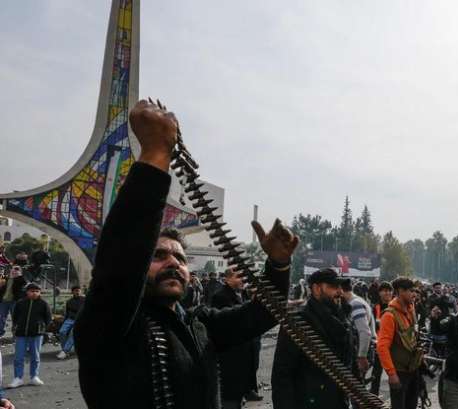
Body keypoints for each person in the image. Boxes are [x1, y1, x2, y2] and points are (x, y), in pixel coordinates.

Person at [74, 99, 299, 409]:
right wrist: (155, 156)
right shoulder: (109, 322)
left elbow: (261, 314)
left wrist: (278, 265)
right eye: (158, 256)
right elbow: (121, 263)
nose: (173, 263)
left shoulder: (198, 324)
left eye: (180, 259)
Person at [271, 268, 354, 409]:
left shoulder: (343, 318)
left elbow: (350, 363)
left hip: (339, 401)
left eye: (340, 287)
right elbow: (282, 374)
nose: (340, 292)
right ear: (316, 289)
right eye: (333, 286)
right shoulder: (298, 321)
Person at [376, 277, 423, 409]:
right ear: (400, 291)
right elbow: (382, 347)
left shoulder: (410, 310)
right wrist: (391, 374)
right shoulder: (389, 315)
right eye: (411, 291)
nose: (414, 294)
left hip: (413, 369)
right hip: (400, 373)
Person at [211, 269, 254, 409]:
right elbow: (226, 323)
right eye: (238, 277)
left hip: (242, 352)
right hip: (229, 354)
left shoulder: (242, 294)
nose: (242, 280)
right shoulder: (220, 296)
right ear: (228, 279)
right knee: (229, 397)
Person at [433, 294, 458, 409]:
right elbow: (440, 327)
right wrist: (435, 319)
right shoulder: (452, 320)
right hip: (453, 381)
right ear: (457, 306)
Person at [8, 282, 51, 388]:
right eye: (32, 291)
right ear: (27, 292)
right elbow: (15, 316)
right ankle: (18, 378)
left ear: (40, 292)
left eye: (37, 291)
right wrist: (17, 326)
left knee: (35, 356)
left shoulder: (44, 304)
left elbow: (48, 318)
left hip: (36, 334)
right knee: (19, 357)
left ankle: (34, 377)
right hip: (21, 334)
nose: (34, 293)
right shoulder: (20, 303)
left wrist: (42, 328)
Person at [341, 278, 376, 379]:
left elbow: (365, 332)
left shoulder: (355, 304)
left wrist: (361, 356)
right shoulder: (359, 301)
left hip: (360, 353)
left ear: (341, 290)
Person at [370, 280, 394, 395]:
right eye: (384, 291)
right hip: (380, 344)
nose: (387, 293)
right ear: (379, 293)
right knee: (376, 372)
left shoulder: (395, 307)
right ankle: (373, 396)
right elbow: (371, 326)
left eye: (389, 291)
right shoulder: (375, 307)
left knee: (394, 373)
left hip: (394, 345)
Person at [57, 285, 85, 359]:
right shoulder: (69, 301)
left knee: (73, 332)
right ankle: (66, 350)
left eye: (79, 290)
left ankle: (65, 351)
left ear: (81, 291)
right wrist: (64, 321)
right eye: (76, 291)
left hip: (80, 320)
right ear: (72, 292)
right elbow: (67, 312)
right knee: (61, 332)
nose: (77, 292)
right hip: (70, 319)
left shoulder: (85, 300)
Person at [0, 265, 27, 338]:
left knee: (15, 318)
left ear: (20, 272)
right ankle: (0, 332)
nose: (14, 271)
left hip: (14, 302)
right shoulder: (6, 278)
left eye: (17, 270)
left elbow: (24, 286)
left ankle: (15, 334)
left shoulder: (21, 280)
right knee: (1, 317)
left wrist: (19, 276)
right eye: (13, 269)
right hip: (3, 301)